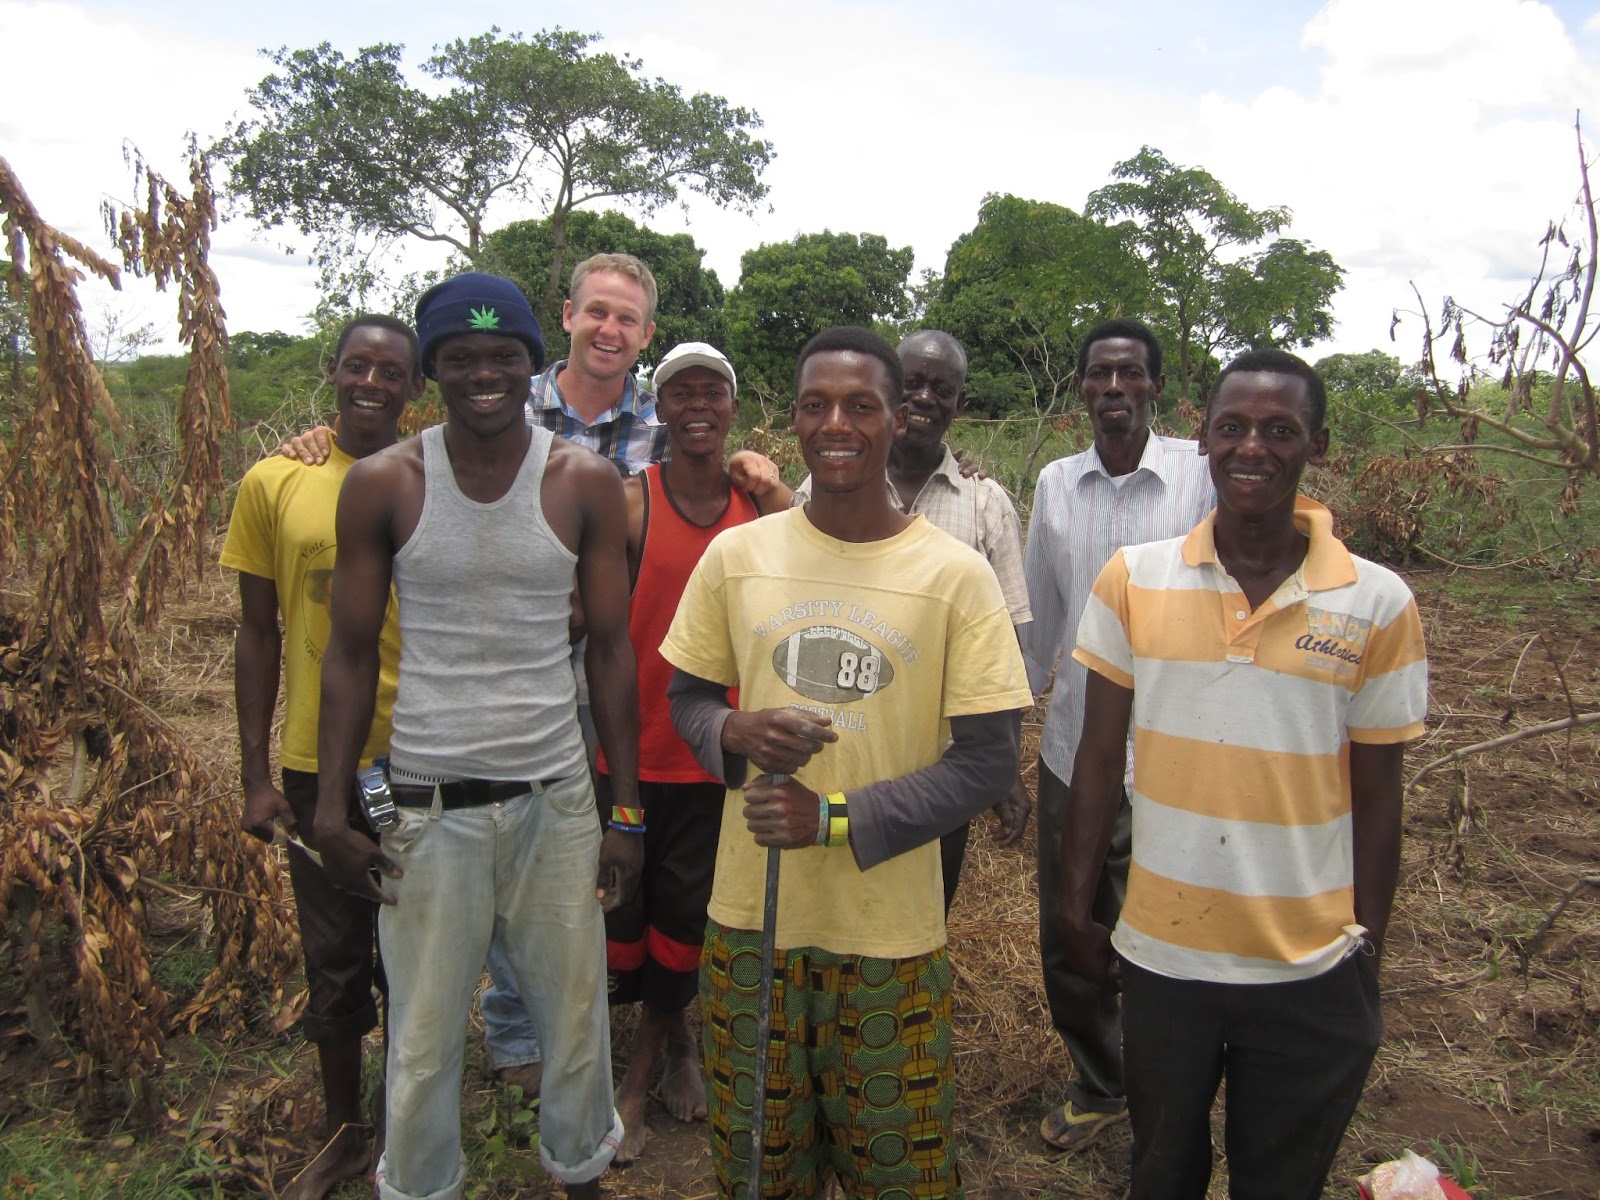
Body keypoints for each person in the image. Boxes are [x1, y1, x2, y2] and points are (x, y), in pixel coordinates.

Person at [664, 326, 1033, 1199]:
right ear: (791, 419)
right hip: (752, 923)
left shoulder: (954, 576)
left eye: (862, 406)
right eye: (817, 405)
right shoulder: (738, 556)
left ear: (898, 416)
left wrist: (832, 820)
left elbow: (986, 763)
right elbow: (686, 700)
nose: (839, 424)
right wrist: (736, 733)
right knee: (762, 1173)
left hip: (890, 938)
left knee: (896, 1175)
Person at [1059, 348, 1428, 1200]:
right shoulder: (1135, 580)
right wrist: (1076, 904)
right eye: (1232, 428)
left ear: (1317, 445)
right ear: (1204, 439)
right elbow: (1095, 753)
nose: (1252, 448)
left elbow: (1379, 799)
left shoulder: (1378, 603)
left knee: (1279, 1180)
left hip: (1307, 968)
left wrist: (1364, 949)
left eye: (1279, 430)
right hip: (1163, 960)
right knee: (1161, 1171)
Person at [312, 272, 641, 1200]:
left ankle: (580, 1172)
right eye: (461, 358)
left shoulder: (582, 482)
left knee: (576, 1020)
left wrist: (628, 812)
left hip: (555, 802)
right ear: (433, 370)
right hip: (429, 805)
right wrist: (333, 809)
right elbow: (345, 655)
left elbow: (612, 653)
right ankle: (417, 1185)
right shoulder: (385, 484)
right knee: (419, 1035)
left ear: (533, 366)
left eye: (505, 357)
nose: (484, 374)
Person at [223, 314, 422, 1199]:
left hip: (421, 759)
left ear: (415, 389)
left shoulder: (437, 480)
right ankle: (345, 1134)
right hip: (318, 766)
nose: (371, 384)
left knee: (418, 960)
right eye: (357, 366)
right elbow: (256, 634)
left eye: (391, 371)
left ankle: (408, 1138)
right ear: (332, 373)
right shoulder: (274, 482)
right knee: (334, 960)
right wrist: (257, 776)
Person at [1020, 318, 1215, 1152]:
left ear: (1155, 389)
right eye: (1098, 374)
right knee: (1071, 925)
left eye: (1129, 375)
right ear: (1081, 389)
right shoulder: (1057, 486)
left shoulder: (1201, 477)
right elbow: (1040, 621)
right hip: (1073, 747)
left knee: (1175, 932)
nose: (1112, 389)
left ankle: (1172, 1095)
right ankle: (1099, 1083)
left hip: (1180, 752)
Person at [593, 341, 786, 1164]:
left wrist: (776, 486)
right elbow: (598, 630)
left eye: (713, 392)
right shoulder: (633, 502)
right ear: (659, 409)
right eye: (681, 393)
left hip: (718, 757)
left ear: (733, 409)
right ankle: (674, 1041)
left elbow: (823, 554)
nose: (698, 406)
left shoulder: (759, 513)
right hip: (631, 755)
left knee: (684, 922)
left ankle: (634, 1087)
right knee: (623, 928)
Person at [792, 329, 1032, 912]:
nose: (926, 398)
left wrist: (1004, 765)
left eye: (942, 389)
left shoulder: (984, 503)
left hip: (940, 770)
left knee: (921, 907)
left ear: (960, 404)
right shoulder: (815, 491)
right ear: (893, 396)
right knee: (820, 900)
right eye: (914, 384)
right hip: (832, 747)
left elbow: (1010, 644)